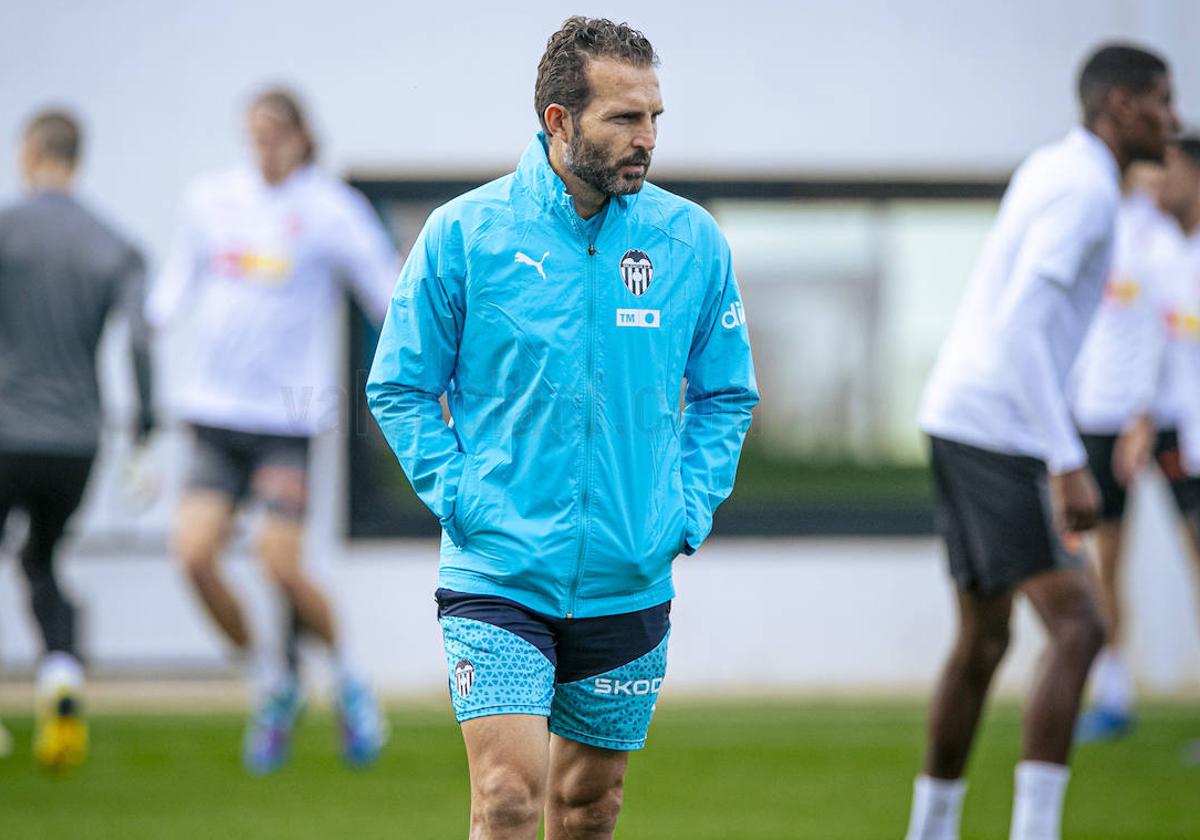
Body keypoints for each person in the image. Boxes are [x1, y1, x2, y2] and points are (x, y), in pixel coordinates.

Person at [367, 16, 758, 839]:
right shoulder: (466, 234)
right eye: (624, 118)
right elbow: (400, 386)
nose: (646, 137)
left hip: (630, 573)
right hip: (499, 572)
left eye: (654, 116)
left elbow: (726, 396)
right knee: (509, 796)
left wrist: (684, 510)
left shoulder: (690, 241)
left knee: (589, 808)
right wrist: (464, 497)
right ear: (558, 121)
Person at [907, 44, 1177, 840]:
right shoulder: (1089, 191)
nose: (1175, 117)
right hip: (998, 430)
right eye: (1163, 99)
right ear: (1122, 106)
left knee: (985, 638)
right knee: (1081, 626)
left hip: (960, 415)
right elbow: (1023, 324)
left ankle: (931, 827)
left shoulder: (1051, 166)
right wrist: (1066, 462)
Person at [147, 87, 395, 774]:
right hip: (214, 414)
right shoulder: (211, 198)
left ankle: (348, 680)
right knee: (193, 556)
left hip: (286, 419)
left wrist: (436, 356)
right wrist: (147, 321)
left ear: (301, 137)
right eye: (254, 131)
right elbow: (174, 285)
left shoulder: (329, 210)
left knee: (278, 564)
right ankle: (273, 685)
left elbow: (386, 290)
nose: (264, 144)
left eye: (276, 132)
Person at [0, 109, 155, 769]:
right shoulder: (113, 244)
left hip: (7, 429)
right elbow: (143, 340)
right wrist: (145, 425)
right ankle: (61, 675)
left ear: (30, 152)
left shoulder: (7, 231)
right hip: (76, 443)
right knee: (42, 558)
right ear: (78, 156)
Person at [1071, 136, 1200, 742]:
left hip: (1167, 415)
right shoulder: (1097, 220)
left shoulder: (1172, 242)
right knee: (1104, 558)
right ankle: (1114, 691)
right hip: (1099, 414)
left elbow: (1167, 331)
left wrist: (1144, 415)